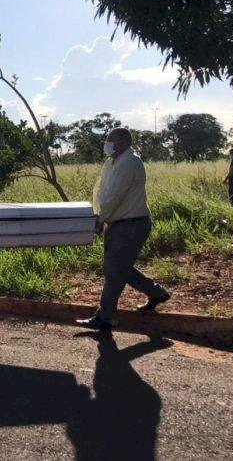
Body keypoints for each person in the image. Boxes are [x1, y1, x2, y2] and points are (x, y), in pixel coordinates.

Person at [76, 127, 171, 331]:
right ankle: (156, 293)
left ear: (123, 142)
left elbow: (114, 197)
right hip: (119, 223)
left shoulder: (129, 163)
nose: (107, 144)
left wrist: (100, 219)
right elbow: (101, 191)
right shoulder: (112, 163)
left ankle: (104, 317)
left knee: (113, 271)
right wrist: (98, 215)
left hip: (131, 224)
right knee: (119, 268)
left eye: (110, 140)